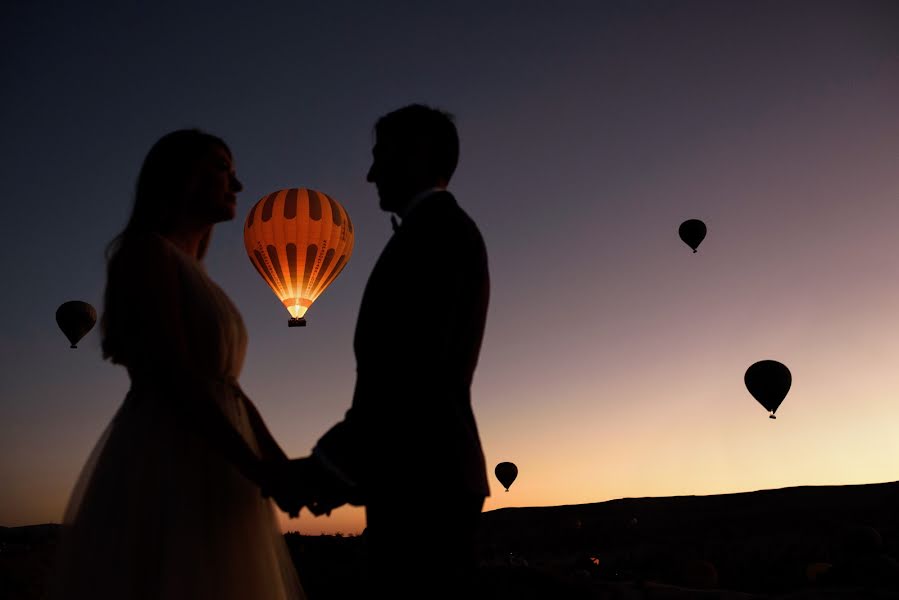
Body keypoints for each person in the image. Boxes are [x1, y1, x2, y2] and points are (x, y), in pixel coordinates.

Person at [48, 129, 305, 600]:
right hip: (172, 461)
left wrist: (275, 462)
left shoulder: (197, 273)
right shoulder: (145, 253)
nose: (238, 185)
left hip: (222, 459)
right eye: (223, 168)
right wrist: (259, 467)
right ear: (181, 176)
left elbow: (228, 385)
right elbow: (172, 375)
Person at [269, 104, 491, 599]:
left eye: (380, 156)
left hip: (423, 481)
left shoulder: (434, 235)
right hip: (424, 476)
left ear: (417, 155)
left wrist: (324, 470)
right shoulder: (433, 232)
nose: (369, 173)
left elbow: (413, 377)